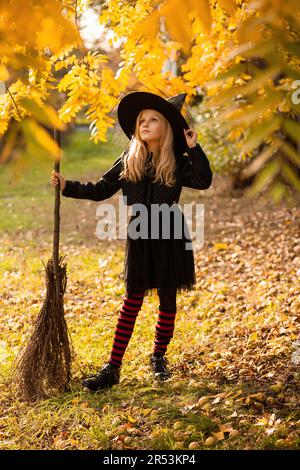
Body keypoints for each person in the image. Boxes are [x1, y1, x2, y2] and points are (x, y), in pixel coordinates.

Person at [50, 91, 213, 391]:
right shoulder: (129, 159)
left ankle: (158, 358)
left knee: (167, 301)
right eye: (142, 121)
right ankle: (112, 368)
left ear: (166, 127)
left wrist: (194, 147)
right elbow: (100, 189)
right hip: (140, 235)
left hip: (169, 236)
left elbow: (203, 180)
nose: (146, 124)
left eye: (153, 120)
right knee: (132, 301)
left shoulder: (177, 161)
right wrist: (67, 186)